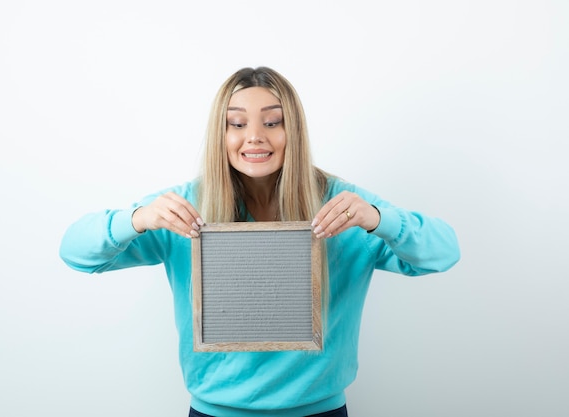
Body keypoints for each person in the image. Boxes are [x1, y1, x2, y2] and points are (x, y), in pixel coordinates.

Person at [59, 66, 460, 417]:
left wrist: (378, 219)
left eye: (272, 122)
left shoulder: (343, 206)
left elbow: (443, 252)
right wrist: (137, 218)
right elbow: (75, 252)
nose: (254, 137)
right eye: (237, 123)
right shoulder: (185, 206)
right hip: (214, 412)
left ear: (294, 130)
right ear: (222, 132)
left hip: (319, 410)